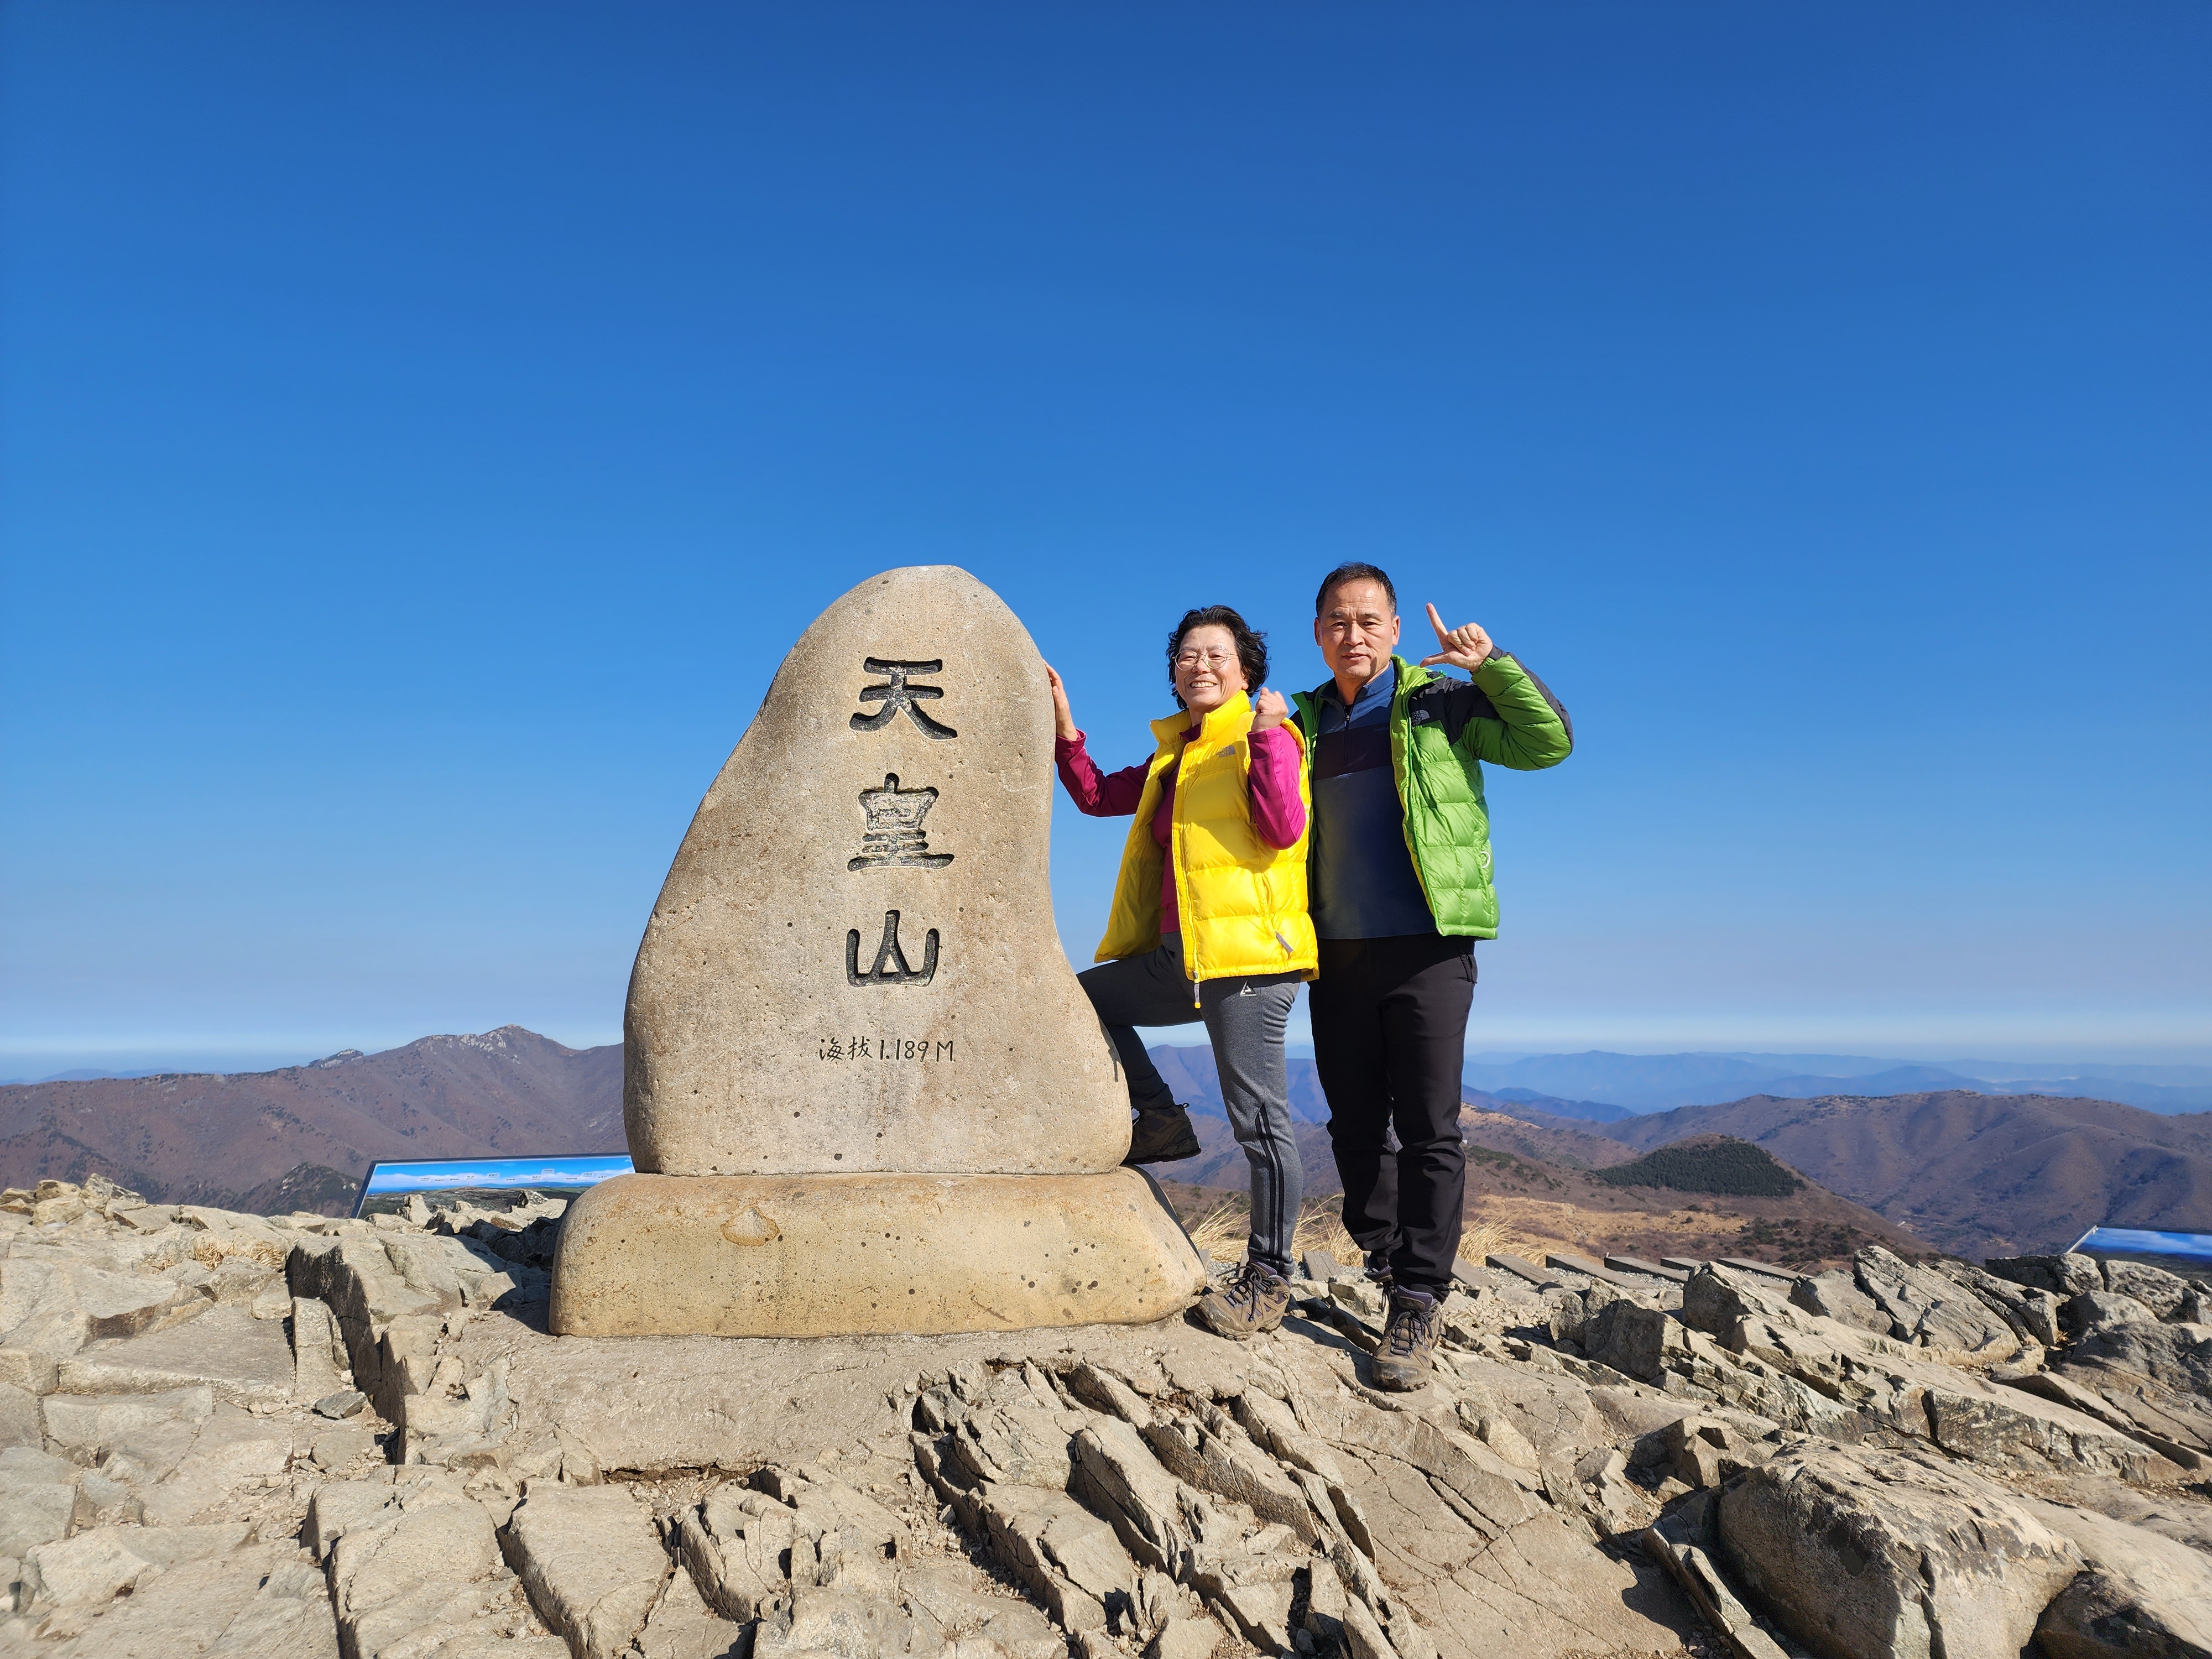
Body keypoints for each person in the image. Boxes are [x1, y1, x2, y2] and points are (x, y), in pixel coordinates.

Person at [1291, 564, 1572, 1387]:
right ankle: (1385, 1258)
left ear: (1395, 630)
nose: (1353, 634)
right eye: (1338, 621)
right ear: (1318, 633)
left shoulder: (1440, 704)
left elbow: (1547, 743)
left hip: (1430, 947)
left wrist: (1493, 667)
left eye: (1368, 620)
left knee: (1429, 1128)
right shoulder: (1302, 722)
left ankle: (1419, 1297)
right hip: (1335, 950)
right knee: (1352, 1127)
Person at [1046, 606, 1317, 1339]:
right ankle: (1162, 1118)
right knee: (1081, 1000)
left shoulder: (1268, 734)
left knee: (1259, 1122)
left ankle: (1269, 1278)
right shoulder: (1176, 757)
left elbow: (1283, 828)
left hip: (1248, 959)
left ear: (1246, 670)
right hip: (1180, 956)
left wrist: (1268, 736)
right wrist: (1066, 728)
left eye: (1217, 654)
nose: (1201, 665)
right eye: (1188, 655)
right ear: (1173, 674)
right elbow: (1098, 796)